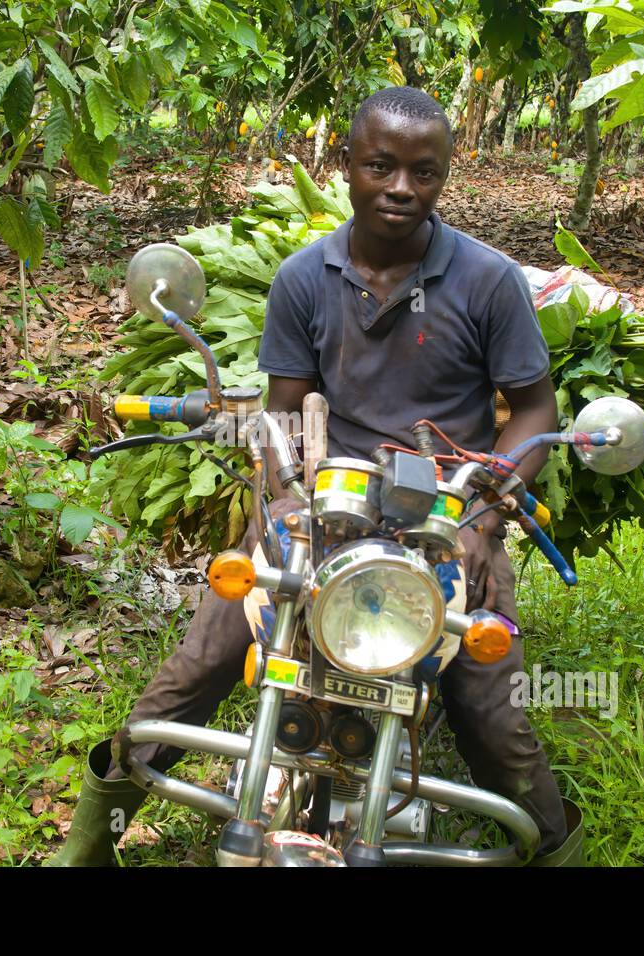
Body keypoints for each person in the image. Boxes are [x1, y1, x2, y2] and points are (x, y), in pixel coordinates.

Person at [50, 86, 581, 867]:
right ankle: (91, 838)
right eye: (381, 166)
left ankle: (554, 848)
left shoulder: (488, 280)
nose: (401, 188)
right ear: (348, 165)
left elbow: (536, 408)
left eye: (423, 173)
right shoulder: (303, 279)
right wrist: (282, 502)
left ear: (444, 177)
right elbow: (285, 413)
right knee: (204, 662)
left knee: (492, 712)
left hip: (445, 514)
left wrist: (484, 520)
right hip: (326, 502)